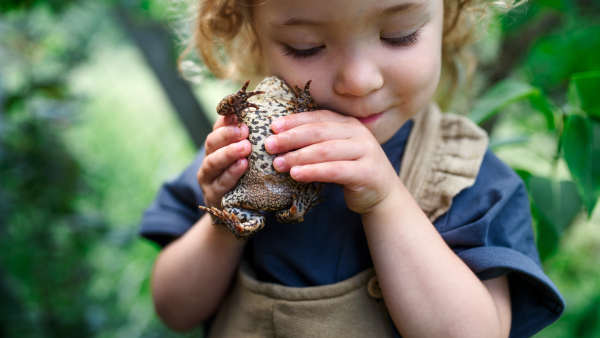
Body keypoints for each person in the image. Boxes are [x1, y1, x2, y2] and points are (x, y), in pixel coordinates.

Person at [140, 0, 565, 337]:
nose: (359, 81)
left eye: (399, 36)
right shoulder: (244, 152)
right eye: (305, 46)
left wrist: (385, 200)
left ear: (450, 14)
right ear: (255, 37)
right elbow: (174, 309)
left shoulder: (469, 179)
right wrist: (229, 218)